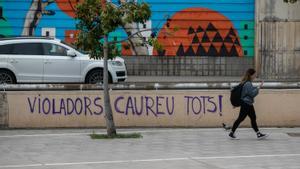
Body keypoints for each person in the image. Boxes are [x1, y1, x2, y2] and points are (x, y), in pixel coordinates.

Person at [229, 68, 268, 140]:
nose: (255, 76)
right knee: (241, 118)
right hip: (246, 104)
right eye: (255, 74)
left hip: (248, 103)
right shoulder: (248, 83)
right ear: (251, 75)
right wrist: (259, 87)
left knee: (253, 118)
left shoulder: (245, 82)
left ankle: (258, 134)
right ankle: (231, 133)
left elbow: (245, 92)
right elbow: (252, 94)